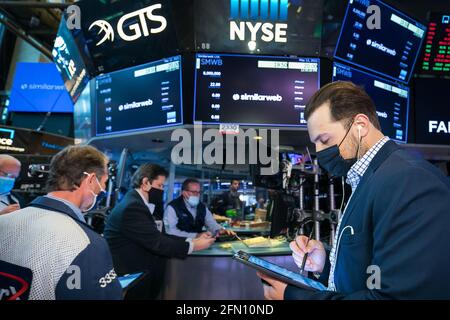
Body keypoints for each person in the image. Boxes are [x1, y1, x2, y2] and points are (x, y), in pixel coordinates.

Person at [258, 81, 450, 300]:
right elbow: (373, 274)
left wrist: (292, 297)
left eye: (325, 140)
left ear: (360, 125)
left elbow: (394, 296)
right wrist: (327, 264)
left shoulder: (409, 180)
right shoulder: (366, 178)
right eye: (316, 144)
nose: (319, 152)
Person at [0, 145, 122, 300]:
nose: (103, 190)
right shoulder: (86, 243)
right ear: (90, 180)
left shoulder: (3, 222)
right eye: (103, 182)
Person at [104, 164, 215, 300]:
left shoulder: (142, 205)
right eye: (160, 186)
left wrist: (192, 240)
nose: (161, 190)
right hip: (133, 280)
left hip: (143, 275)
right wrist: (194, 246)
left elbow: (160, 236)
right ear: (145, 183)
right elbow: (157, 242)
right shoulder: (132, 207)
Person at [164, 178, 235, 238]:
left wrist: (220, 230)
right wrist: (196, 235)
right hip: (178, 246)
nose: (197, 195)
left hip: (198, 245)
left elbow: (211, 223)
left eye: (198, 192)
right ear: (184, 192)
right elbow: (171, 231)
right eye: (194, 192)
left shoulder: (202, 207)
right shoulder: (173, 207)